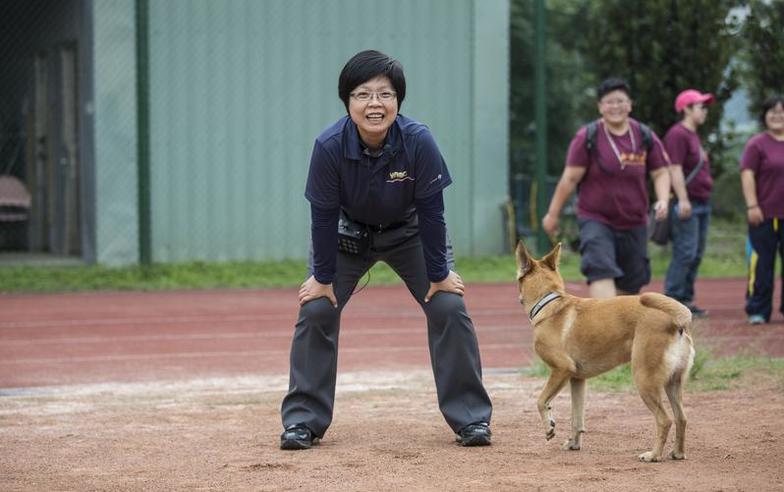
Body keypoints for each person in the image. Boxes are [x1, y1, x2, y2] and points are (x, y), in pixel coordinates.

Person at [279, 50, 493, 450]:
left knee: (448, 306)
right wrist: (323, 278)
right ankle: (303, 422)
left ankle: (471, 419)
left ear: (398, 101)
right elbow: (322, 217)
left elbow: (433, 214)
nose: (374, 104)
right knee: (317, 308)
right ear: (347, 101)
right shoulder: (328, 146)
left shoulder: (418, 141)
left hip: (409, 232)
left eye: (385, 94)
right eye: (363, 94)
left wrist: (439, 272)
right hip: (348, 235)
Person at [542, 77, 671, 299]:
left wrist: (663, 200)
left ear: (630, 105)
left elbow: (660, 172)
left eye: (620, 101)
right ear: (600, 107)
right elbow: (570, 178)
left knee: (631, 284)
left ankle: (616, 328)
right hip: (597, 219)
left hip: (634, 221)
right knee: (599, 269)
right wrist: (553, 215)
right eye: (609, 102)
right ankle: (605, 332)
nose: (615, 107)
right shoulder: (587, 137)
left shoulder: (644, 136)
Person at [663, 89, 716, 318]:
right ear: (686, 109)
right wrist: (683, 199)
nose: (704, 111)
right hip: (689, 203)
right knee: (685, 253)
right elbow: (674, 168)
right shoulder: (678, 134)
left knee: (695, 254)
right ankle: (672, 301)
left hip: (702, 202)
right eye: (700, 106)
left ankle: (685, 299)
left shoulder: (693, 135)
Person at [740, 95, 784, 325]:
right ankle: (758, 309)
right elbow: (747, 174)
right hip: (763, 215)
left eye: (781, 111)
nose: (778, 116)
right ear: (765, 117)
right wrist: (752, 205)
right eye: (772, 112)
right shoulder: (756, 144)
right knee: (762, 265)